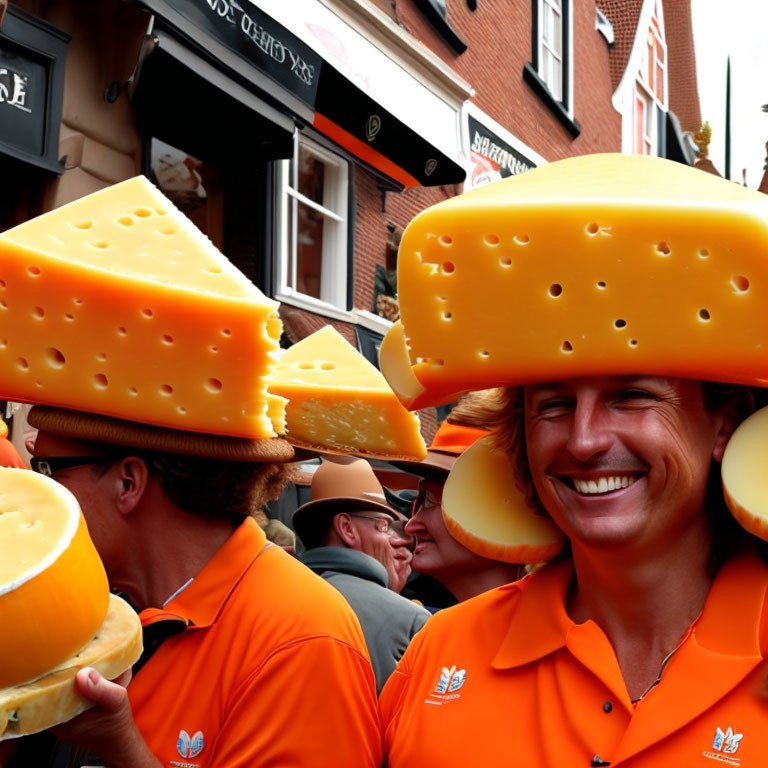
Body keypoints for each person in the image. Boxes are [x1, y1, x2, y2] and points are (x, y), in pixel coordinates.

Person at [379, 158, 768, 766]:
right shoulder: (443, 653)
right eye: (554, 404)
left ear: (724, 422)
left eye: (630, 396)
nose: (584, 440)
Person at [21, 406, 382, 768]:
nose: (33, 497)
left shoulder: (301, 636)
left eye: (48, 472)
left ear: (129, 483)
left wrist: (121, 747)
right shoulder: (97, 609)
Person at [294, 457, 430, 692]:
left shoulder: (270, 596)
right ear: (347, 528)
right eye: (384, 526)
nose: (395, 540)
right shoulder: (411, 620)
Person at [395, 399, 523, 605]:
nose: (411, 526)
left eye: (428, 501)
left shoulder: (566, 629)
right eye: (419, 502)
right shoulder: (435, 632)